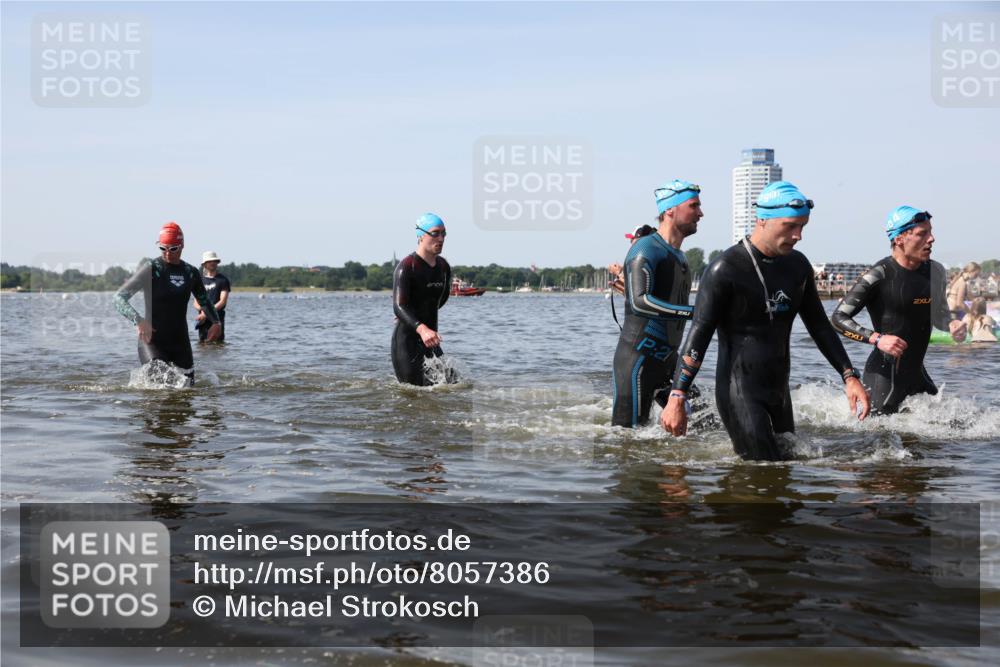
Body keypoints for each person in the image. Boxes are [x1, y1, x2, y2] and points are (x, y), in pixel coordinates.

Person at [661, 181, 870, 460]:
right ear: (762, 220)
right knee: (762, 471)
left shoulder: (797, 266)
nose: (798, 235)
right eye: (790, 226)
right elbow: (698, 335)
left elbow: (819, 326)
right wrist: (677, 396)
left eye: (802, 227)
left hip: (780, 393)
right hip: (740, 392)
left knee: (785, 475)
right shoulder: (725, 269)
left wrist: (850, 376)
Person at [831, 206, 967, 414]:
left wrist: (951, 324)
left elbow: (939, 314)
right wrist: (876, 339)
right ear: (900, 239)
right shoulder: (877, 275)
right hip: (884, 378)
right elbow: (838, 317)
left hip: (917, 375)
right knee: (878, 438)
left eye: (930, 232)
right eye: (923, 234)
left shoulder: (936, 271)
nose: (931, 239)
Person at [611, 180, 701, 427]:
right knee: (626, 444)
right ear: (670, 210)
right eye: (694, 206)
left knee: (707, 422)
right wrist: (697, 313)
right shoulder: (646, 248)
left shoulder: (679, 256)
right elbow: (640, 303)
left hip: (668, 362)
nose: (700, 213)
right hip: (637, 362)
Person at [113, 222, 221, 382]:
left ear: (182, 246)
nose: (168, 253)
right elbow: (119, 298)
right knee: (159, 388)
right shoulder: (152, 268)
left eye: (173, 249)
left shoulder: (190, 273)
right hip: (152, 341)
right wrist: (138, 321)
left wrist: (216, 322)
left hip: (180, 342)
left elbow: (203, 300)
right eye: (163, 248)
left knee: (186, 390)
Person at [391, 213, 452, 386]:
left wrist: (414, 313)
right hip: (406, 342)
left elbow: (440, 299)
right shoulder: (406, 267)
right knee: (414, 393)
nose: (440, 238)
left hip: (430, 340)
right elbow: (398, 306)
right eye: (435, 233)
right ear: (420, 235)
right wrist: (419, 326)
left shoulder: (443, 267)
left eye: (443, 233)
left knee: (453, 386)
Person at [608, 225, 656, 296]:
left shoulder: (644, 258)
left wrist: (620, 272)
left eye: (632, 238)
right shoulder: (647, 255)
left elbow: (641, 290)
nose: (630, 241)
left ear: (639, 239)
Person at [194, 250, 231, 342]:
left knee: (217, 344)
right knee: (202, 344)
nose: (212, 263)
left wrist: (207, 313)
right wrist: (203, 312)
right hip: (202, 319)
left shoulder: (223, 280)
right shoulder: (200, 280)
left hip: (217, 318)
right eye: (210, 261)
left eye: (214, 261)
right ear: (204, 264)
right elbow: (195, 302)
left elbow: (222, 302)